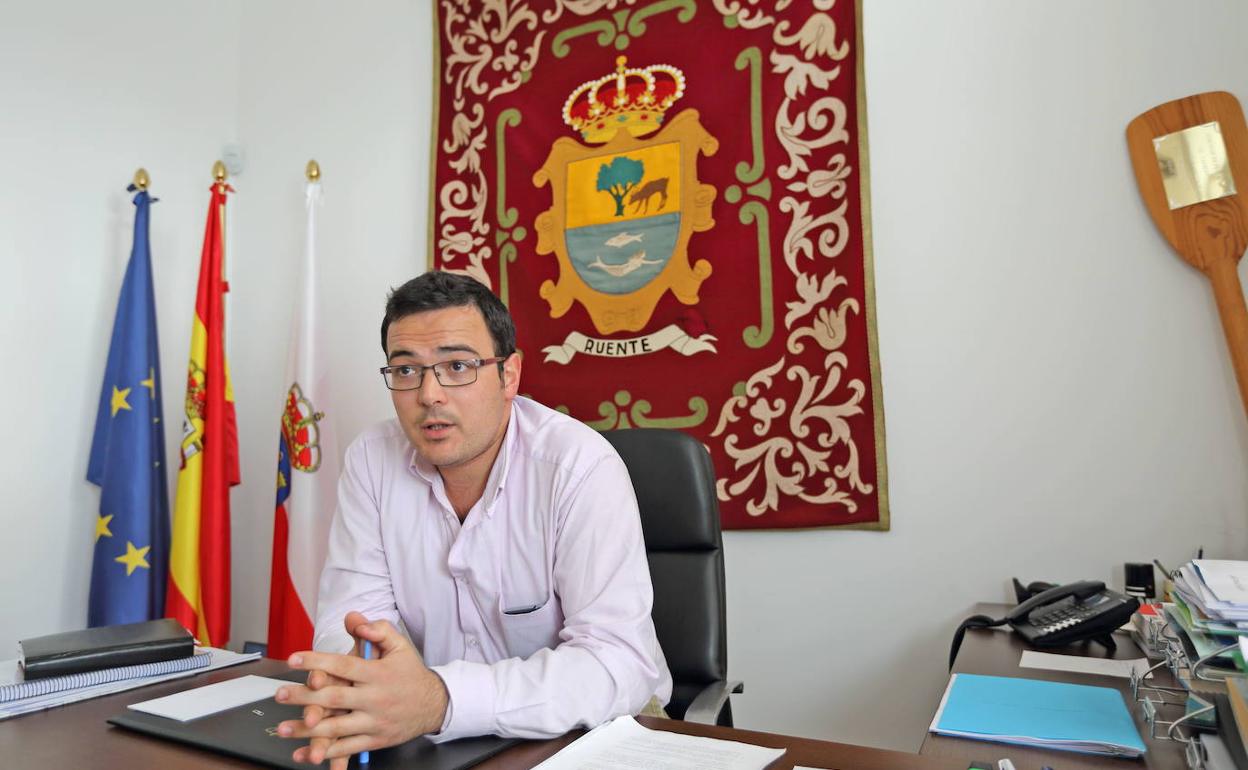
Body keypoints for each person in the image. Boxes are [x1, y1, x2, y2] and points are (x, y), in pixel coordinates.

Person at [275, 271, 671, 767]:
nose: (429, 395)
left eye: (457, 366)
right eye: (406, 370)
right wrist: (359, 682)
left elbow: (617, 664)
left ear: (509, 376)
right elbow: (352, 620)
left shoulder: (579, 468)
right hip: (433, 738)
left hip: (593, 735)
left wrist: (441, 699)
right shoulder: (371, 461)